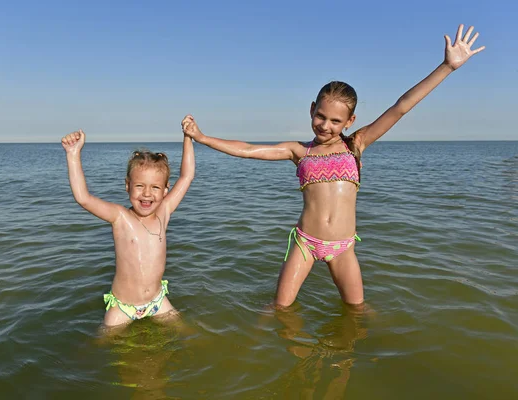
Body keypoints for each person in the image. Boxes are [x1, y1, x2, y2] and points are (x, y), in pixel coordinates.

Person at [181, 24, 484, 307]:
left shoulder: (356, 144)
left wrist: (447, 67)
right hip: (305, 243)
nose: (325, 125)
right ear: (312, 109)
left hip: (343, 247)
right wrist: (203, 137)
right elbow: (247, 150)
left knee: (357, 311)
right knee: (280, 309)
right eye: (320, 116)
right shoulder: (299, 151)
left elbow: (401, 107)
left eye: (335, 121)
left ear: (350, 121)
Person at [61, 129, 195, 326]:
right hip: (123, 306)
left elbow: (187, 176)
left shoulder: (163, 213)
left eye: (155, 187)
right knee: (105, 345)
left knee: (185, 333)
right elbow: (83, 198)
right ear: (127, 186)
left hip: (157, 301)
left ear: (166, 190)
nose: (147, 194)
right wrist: (73, 154)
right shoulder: (120, 217)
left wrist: (188, 137)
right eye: (139, 186)